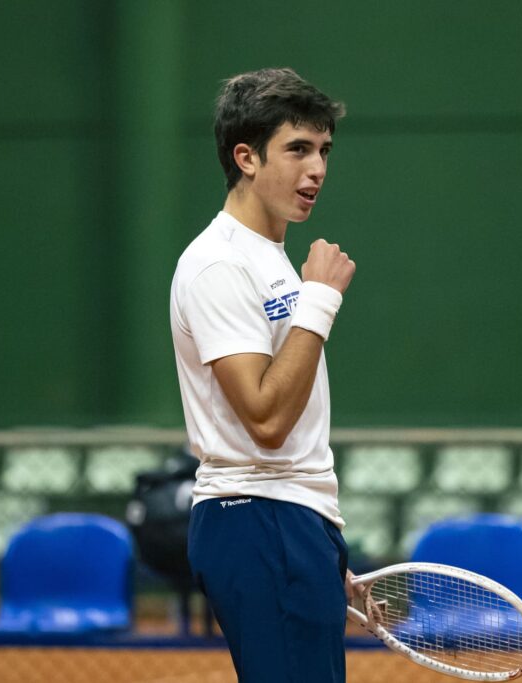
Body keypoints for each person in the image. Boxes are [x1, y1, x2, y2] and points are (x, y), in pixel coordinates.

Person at [169, 67, 356, 682]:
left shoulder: (266, 258)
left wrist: (320, 548)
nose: (317, 169)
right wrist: (320, 299)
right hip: (258, 519)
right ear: (246, 158)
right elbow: (267, 420)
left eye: (324, 150)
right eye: (298, 149)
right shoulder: (218, 265)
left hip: (286, 522)